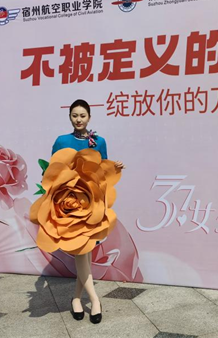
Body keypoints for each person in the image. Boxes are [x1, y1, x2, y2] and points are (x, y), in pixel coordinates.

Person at [51, 99, 124, 324]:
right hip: (69, 204)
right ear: (69, 117)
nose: (78, 119)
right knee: (81, 252)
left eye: (82, 115)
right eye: (75, 115)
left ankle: (76, 298)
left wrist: (114, 168)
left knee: (86, 251)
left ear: (89, 117)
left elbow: (102, 172)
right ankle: (94, 300)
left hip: (92, 202)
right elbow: (51, 172)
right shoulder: (61, 141)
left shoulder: (99, 142)